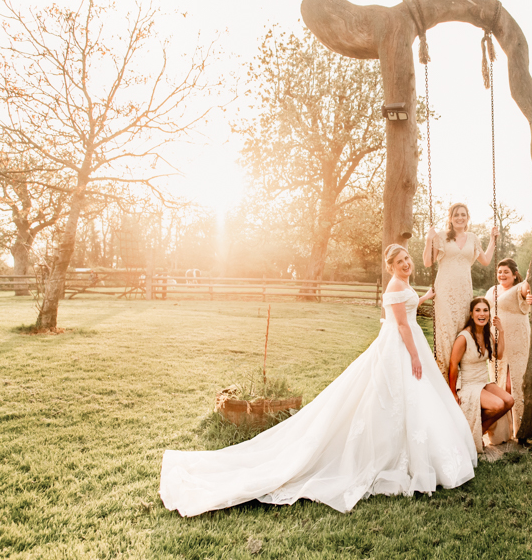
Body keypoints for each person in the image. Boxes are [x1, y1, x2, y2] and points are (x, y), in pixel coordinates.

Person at [159, 244, 477, 516]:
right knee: (395, 397)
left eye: (407, 259)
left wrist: (423, 297)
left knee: (412, 399)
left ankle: (416, 455)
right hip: (401, 347)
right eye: (400, 261)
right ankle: (391, 457)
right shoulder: (394, 286)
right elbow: (403, 325)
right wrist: (415, 357)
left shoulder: (402, 286)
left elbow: (406, 309)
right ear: (391, 266)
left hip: (404, 342)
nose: (406, 264)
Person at [423, 202, 498, 379]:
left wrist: (493, 239)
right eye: (456, 215)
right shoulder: (442, 237)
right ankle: (443, 379)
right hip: (445, 292)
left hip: (464, 292)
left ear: (467, 217)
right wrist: (428, 240)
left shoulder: (472, 238)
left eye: (463, 214)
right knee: (446, 333)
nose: (459, 218)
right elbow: (427, 262)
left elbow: (486, 260)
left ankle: (460, 380)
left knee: (462, 332)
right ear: (450, 218)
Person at [448, 297, 514, 453]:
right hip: (468, 384)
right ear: (471, 314)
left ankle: (479, 431)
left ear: (489, 314)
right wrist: (453, 392)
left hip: (482, 381)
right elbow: (453, 365)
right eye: (477, 310)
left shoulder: (487, 334)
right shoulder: (464, 337)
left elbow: (499, 355)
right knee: (497, 405)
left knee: (509, 401)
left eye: (485, 310)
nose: (482, 314)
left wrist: (501, 331)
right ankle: (471, 432)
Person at [485, 258, 532, 442]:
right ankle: (502, 429)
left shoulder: (520, 288)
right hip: (496, 338)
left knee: (512, 381)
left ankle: (520, 426)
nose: (502, 275)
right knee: (498, 378)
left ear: (515, 274)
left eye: (506, 271)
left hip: (516, 340)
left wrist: (531, 272)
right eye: (499, 271)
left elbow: (527, 286)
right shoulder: (492, 290)